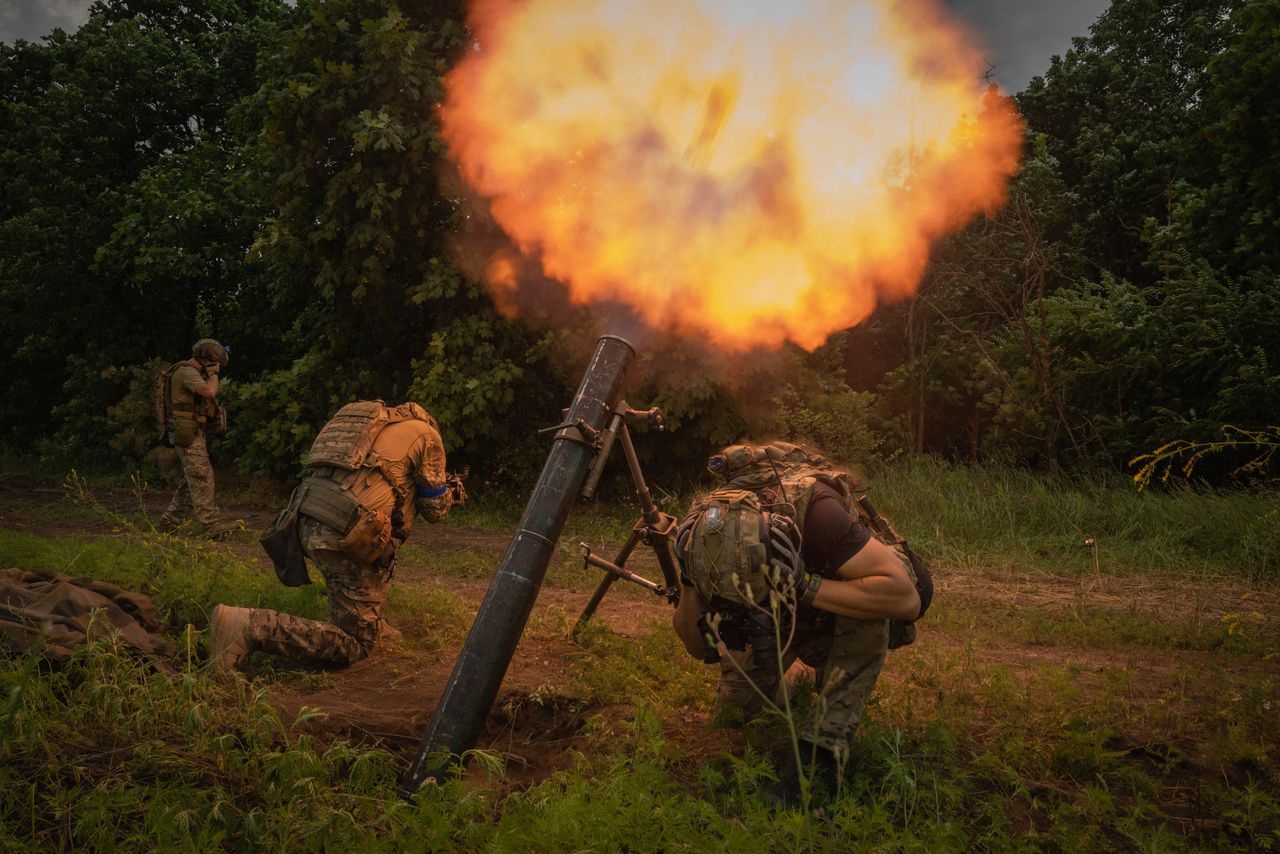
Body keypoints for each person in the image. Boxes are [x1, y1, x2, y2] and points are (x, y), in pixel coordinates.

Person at [671, 442, 926, 807]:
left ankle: (822, 748)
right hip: (776, 615)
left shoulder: (816, 510)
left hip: (831, 603)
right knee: (733, 715)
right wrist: (690, 577)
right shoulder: (702, 533)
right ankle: (798, 681)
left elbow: (905, 597)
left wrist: (804, 585)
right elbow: (696, 645)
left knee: (868, 618)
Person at [210, 400, 465, 671]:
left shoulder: (369, 425)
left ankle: (369, 620)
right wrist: (451, 493)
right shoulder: (428, 436)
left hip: (305, 518)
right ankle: (248, 627)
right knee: (356, 645)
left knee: (368, 562)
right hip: (344, 532)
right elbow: (435, 510)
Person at [158, 339, 235, 538]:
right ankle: (211, 524)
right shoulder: (187, 372)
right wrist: (214, 373)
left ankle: (169, 522)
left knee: (193, 478)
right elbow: (209, 391)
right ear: (208, 359)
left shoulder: (192, 372)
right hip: (187, 432)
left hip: (192, 431)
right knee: (201, 476)